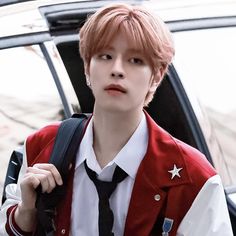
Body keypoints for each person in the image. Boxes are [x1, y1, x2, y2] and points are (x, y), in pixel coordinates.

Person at [0, 3, 233, 236]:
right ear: (87, 68)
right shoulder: (42, 147)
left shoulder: (193, 178)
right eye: (105, 56)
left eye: (135, 60)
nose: (117, 69)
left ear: (156, 76)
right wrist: (26, 212)